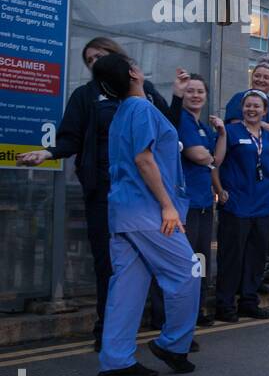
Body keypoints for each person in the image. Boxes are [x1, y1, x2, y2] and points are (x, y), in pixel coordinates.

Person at [17, 37, 181, 348]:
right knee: (110, 264)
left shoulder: (143, 92)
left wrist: (178, 97)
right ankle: (109, 334)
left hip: (147, 192)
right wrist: (47, 153)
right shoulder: (85, 96)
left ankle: (170, 333)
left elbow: (168, 130)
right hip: (106, 192)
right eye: (89, 60)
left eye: (100, 56)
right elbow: (70, 139)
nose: (94, 63)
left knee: (160, 261)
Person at [91, 53, 198, 376]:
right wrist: (167, 205)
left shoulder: (123, 111)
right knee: (187, 272)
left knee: (127, 286)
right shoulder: (141, 109)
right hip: (149, 211)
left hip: (124, 212)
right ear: (134, 74)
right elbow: (144, 159)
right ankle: (173, 344)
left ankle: (116, 360)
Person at [214, 89, 269, 321]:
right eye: (248, 105)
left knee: (256, 257)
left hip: (263, 207)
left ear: (265, 111)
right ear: (242, 108)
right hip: (237, 205)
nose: (251, 110)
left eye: (256, 106)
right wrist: (219, 190)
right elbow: (215, 163)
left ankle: (249, 301)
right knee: (232, 257)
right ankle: (225, 304)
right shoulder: (230, 132)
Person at [177, 75, 226, 328]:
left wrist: (222, 133)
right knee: (184, 260)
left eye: (200, 92)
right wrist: (208, 157)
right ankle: (179, 313)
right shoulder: (182, 120)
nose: (195, 95)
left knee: (201, 259)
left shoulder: (204, 127)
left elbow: (216, 159)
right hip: (186, 204)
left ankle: (197, 310)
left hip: (205, 203)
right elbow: (198, 155)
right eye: (190, 91)